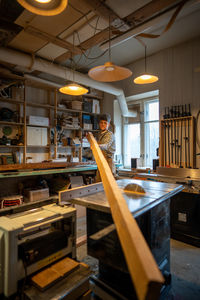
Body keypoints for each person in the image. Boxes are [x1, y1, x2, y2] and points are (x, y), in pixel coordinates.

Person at [95, 113, 116, 182]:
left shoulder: (109, 134)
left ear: (108, 124)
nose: (103, 124)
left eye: (105, 123)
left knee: (108, 182)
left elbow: (106, 146)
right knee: (98, 182)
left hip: (108, 161)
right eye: (101, 123)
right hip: (101, 160)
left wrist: (96, 146)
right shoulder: (99, 134)